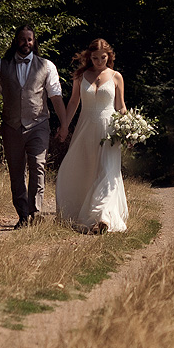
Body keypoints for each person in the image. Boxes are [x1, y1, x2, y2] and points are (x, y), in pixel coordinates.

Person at [0, 24, 69, 229]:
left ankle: (35, 212)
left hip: (38, 124)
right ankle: (23, 215)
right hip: (10, 126)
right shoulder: (1, 65)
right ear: (16, 41)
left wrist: (65, 124)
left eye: (30, 39)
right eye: (22, 39)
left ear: (34, 42)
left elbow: (55, 95)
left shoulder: (47, 65)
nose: (26, 43)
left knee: (38, 166)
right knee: (16, 171)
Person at [55, 38, 129, 234]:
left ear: (109, 56)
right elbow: (73, 103)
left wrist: (129, 129)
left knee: (107, 170)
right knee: (83, 168)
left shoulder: (116, 76)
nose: (98, 61)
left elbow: (120, 107)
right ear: (89, 57)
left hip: (109, 130)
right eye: (95, 58)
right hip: (85, 127)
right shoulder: (81, 76)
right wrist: (64, 126)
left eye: (102, 57)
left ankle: (103, 217)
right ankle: (82, 211)